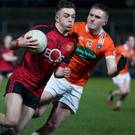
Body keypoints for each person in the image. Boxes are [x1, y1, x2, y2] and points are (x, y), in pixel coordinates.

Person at [31, 3, 127, 135]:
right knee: (35, 110)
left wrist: (118, 68)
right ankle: (10, 123)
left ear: (105, 21)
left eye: (97, 17)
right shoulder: (75, 27)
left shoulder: (107, 42)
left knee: (52, 125)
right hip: (59, 77)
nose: (92, 18)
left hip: (77, 86)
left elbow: (110, 71)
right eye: (91, 15)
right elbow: (56, 36)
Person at [0, 0, 76, 134]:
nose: (70, 19)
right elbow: (11, 45)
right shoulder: (41, 31)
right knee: (10, 121)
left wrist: (64, 72)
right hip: (20, 81)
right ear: (57, 18)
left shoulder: (71, 44)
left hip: (37, 90)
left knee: (16, 131)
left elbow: (58, 73)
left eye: (73, 16)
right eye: (66, 15)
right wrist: (19, 43)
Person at [107, 35, 135, 111]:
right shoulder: (120, 48)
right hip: (118, 73)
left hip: (126, 73)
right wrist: (112, 66)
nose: (133, 42)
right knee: (123, 91)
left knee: (127, 92)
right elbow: (112, 54)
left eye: (134, 41)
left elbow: (132, 64)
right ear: (127, 42)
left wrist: (133, 59)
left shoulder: (132, 51)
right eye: (131, 40)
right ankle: (111, 94)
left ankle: (118, 104)